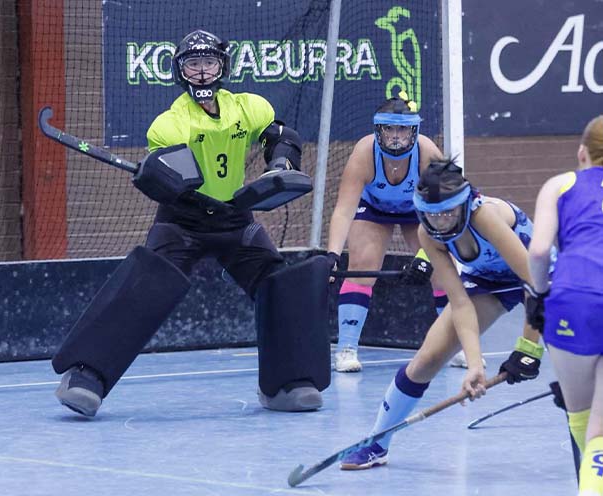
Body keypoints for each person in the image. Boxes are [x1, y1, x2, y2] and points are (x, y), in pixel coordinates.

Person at [50, 29, 332, 417]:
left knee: (279, 284)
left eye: (209, 63)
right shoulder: (168, 123)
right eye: (193, 64)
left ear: (222, 67)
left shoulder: (248, 107)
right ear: (180, 72)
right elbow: (172, 170)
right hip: (183, 221)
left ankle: (288, 383)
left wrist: (280, 165)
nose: (201, 72)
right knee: (145, 286)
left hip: (235, 219)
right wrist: (161, 178)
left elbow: (282, 136)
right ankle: (86, 375)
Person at [339, 159, 544, 470]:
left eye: (448, 212)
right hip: (488, 281)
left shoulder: (485, 217)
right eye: (431, 214)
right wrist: (474, 365)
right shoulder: (429, 234)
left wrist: (528, 348)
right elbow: (460, 303)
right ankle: (377, 442)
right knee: (426, 359)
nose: (441, 222)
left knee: (579, 354)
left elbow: (536, 284)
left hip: (541, 277)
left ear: (465, 204)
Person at [326, 94, 467, 372]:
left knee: (443, 270)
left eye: (402, 129)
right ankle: (346, 349)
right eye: (389, 129)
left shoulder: (428, 153)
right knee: (362, 266)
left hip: (420, 211)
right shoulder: (363, 153)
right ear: (378, 130)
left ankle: (455, 346)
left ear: (414, 131)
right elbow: (343, 210)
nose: (395, 136)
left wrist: (426, 256)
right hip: (374, 208)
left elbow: (446, 213)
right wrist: (332, 256)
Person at [526, 115, 603, 494]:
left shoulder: (560, 185)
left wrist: (539, 294)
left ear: (582, 153)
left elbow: (539, 250)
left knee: (584, 418)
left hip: (574, 298)